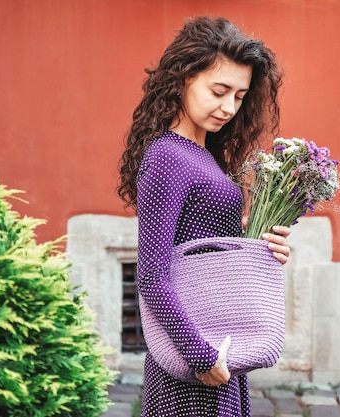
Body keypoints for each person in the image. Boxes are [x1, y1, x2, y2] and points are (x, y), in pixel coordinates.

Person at [117, 16, 290, 417]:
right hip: (194, 364)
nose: (229, 107)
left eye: (239, 96)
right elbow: (152, 275)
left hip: (217, 345)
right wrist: (199, 355)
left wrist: (262, 245)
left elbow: (204, 247)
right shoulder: (167, 156)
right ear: (183, 78)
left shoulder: (204, 155)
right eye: (219, 91)